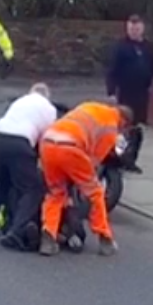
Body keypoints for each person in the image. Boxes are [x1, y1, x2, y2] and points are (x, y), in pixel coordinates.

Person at [38, 101, 132, 257]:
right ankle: (105, 239)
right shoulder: (111, 127)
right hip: (71, 147)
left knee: (55, 193)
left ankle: (48, 238)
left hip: (47, 143)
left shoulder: (91, 106)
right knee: (95, 193)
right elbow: (94, 161)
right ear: (124, 122)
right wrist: (81, 178)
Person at [0, 83, 57, 250]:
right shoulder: (49, 109)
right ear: (47, 96)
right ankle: (16, 232)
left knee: (3, 182)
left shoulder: (20, 101)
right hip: (20, 143)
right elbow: (45, 140)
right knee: (33, 189)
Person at [105, 15, 153, 173]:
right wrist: (111, 91)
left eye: (137, 27)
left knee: (136, 129)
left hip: (142, 93)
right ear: (127, 28)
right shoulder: (121, 47)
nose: (134, 30)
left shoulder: (148, 48)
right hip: (125, 93)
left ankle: (130, 160)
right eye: (131, 27)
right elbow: (112, 71)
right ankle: (117, 157)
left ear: (142, 28)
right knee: (123, 127)